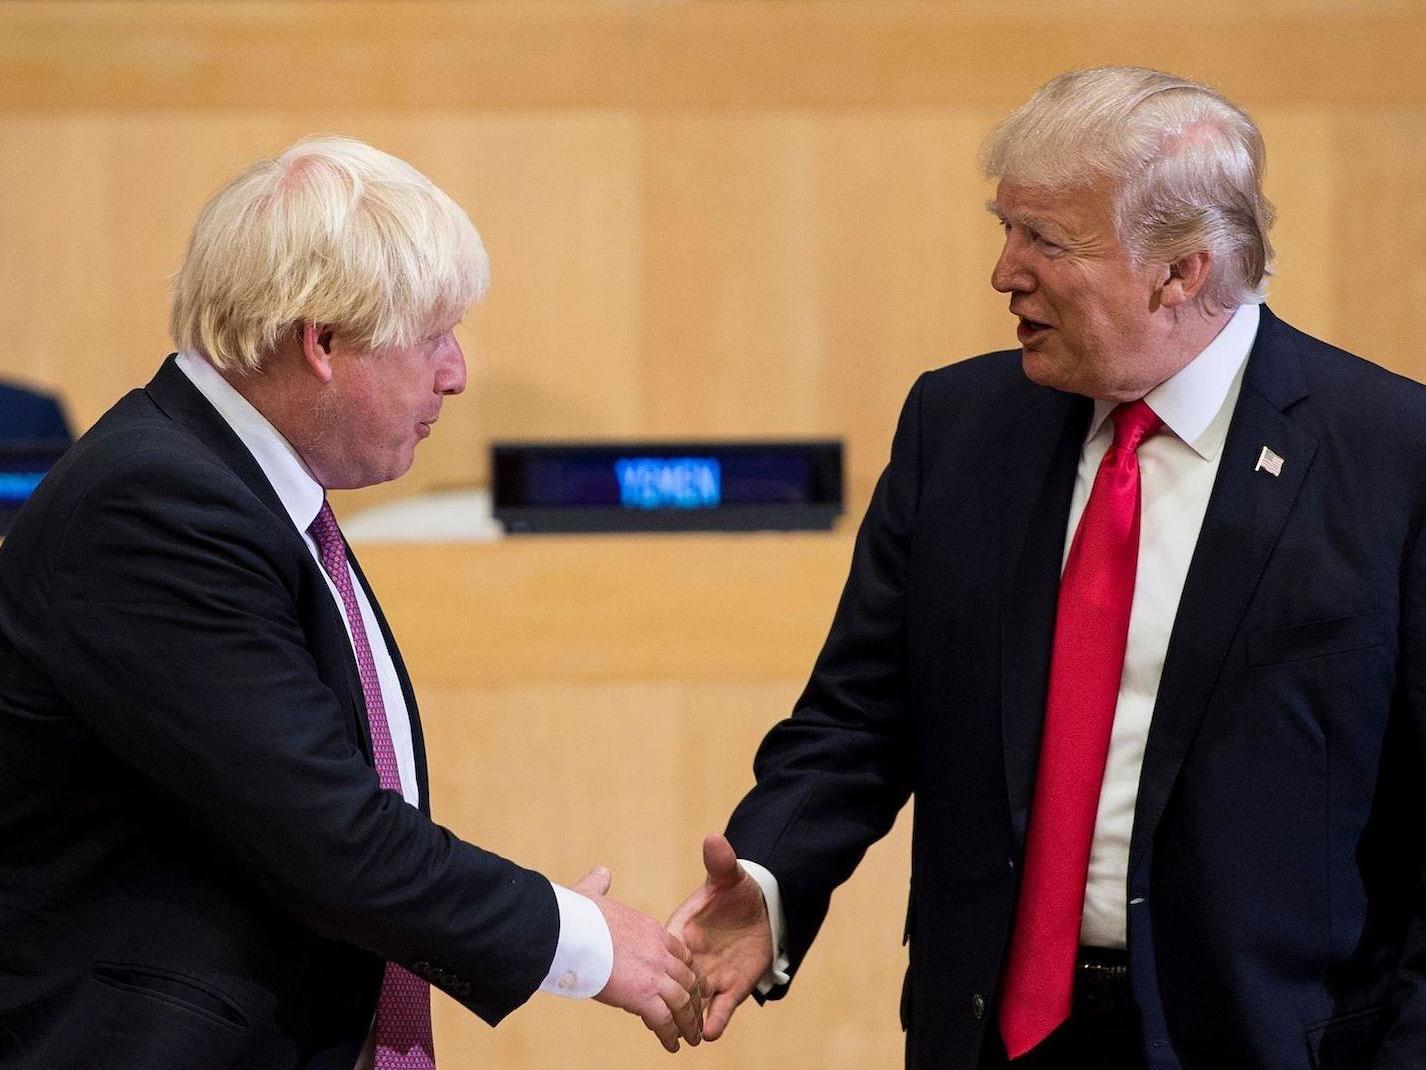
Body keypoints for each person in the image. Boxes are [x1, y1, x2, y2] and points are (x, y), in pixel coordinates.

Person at [667, 66, 1426, 1070]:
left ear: (1181, 271)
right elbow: (858, 714)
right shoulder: (959, 425)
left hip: (1268, 1037)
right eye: (1004, 226)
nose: (1003, 272)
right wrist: (771, 879)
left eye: (1045, 242)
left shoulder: (1389, 455)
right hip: (992, 1032)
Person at [0, 137, 703, 1070]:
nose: (456, 374)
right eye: (433, 337)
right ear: (320, 341)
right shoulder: (158, 505)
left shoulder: (236, 484)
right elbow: (333, 841)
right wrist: (580, 939)